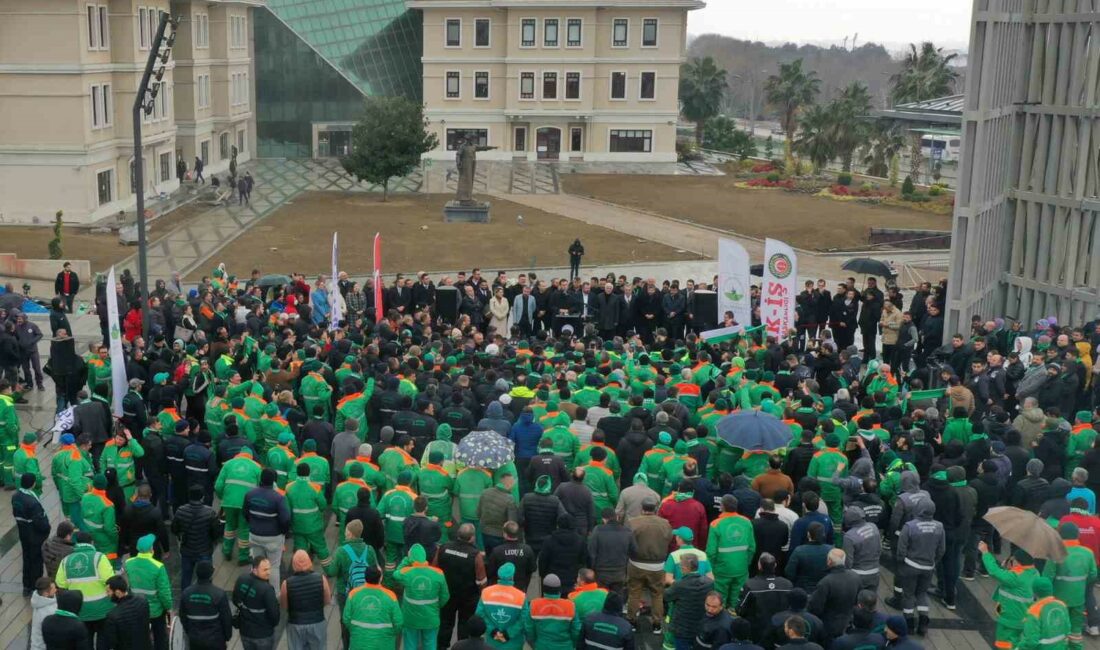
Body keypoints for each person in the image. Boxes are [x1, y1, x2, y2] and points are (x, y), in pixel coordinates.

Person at [887, 500, 944, 636]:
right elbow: (941, 549)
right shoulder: (939, 527)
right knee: (922, 594)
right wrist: (933, 562)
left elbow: (901, 549)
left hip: (910, 565)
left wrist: (901, 562)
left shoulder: (909, 526)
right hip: (928, 567)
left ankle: (909, 624)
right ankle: (923, 623)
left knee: (909, 595)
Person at [1043, 522, 1097, 650]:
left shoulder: (1055, 553)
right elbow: (1093, 574)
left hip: (1058, 600)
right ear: (1077, 535)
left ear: (1060, 535)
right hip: (1078, 598)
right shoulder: (1088, 553)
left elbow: (1047, 579)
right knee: (1076, 629)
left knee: (1058, 628)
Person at [55, 530, 114, 645]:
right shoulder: (99, 557)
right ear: (91, 542)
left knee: (85, 642)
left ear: (76, 543)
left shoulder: (66, 561)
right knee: (103, 641)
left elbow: (60, 583)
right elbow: (110, 580)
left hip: (80, 610)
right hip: (102, 609)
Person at [980, 542, 1039, 650]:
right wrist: (1009, 568)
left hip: (1009, 619)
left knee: (1004, 645)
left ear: (1017, 562)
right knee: (1017, 644)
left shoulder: (1015, 577)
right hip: (1023, 617)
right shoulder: (1034, 573)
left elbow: (994, 571)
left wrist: (985, 552)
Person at [435, 523, 487, 646]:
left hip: (447, 594)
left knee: (445, 622)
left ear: (458, 534)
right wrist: (482, 594)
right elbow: (481, 579)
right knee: (464, 624)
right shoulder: (475, 554)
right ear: (472, 537)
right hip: (468, 597)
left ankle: (442, 646)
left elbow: (435, 569)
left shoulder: (443, 548)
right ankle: (462, 646)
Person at [627, 496, 672, 633]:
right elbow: (669, 540)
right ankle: (657, 624)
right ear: (655, 509)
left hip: (636, 563)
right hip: (657, 565)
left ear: (642, 509)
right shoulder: (665, 524)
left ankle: (632, 622)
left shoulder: (633, 523)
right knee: (657, 595)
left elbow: (628, 542)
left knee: (634, 593)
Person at [395, 543, 450, 650]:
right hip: (431, 617)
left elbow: (396, 573)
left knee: (410, 644)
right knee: (430, 644)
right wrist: (436, 607)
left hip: (411, 618)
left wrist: (406, 560)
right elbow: (445, 596)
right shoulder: (438, 573)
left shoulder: (407, 573)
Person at [123, 534, 172, 650]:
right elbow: (164, 591)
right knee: (160, 636)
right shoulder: (158, 566)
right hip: (155, 611)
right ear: (151, 549)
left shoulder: (129, 563)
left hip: (136, 607)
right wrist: (168, 607)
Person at [245, 468, 291, 589]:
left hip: (254, 535)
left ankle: (256, 590)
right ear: (274, 481)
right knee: (274, 566)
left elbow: (245, 514)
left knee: (256, 564)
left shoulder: (250, 495)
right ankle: (274, 594)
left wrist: (253, 524)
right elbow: (285, 519)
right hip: (273, 537)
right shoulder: (278, 498)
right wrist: (283, 532)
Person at [214, 444, 261, 563]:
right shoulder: (256, 467)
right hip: (246, 504)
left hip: (229, 502)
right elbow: (260, 488)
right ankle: (243, 557)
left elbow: (218, 486)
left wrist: (223, 498)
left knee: (229, 526)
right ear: (250, 456)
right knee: (244, 528)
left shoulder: (228, 464)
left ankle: (227, 551)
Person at [172, 485, 222, 591]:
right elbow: (216, 532)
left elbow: (174, 529)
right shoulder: (210, 512)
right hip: (204, 550)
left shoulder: (181, 511)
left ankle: (185, 596)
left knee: (186, 577)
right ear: (202, 497)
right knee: (206, 578)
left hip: (187, 550)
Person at [708, 494, 755, 606]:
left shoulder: (715, 524)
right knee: (737, 599)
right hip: (741, 568)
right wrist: (745, 563)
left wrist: (711, 569)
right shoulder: (747, 522)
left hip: (721, 570)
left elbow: (711, 552)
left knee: (720, 600)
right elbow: (752, 548)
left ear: (722, 506)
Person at [280, 550, 331, 649]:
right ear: (309, 562)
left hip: (296, 624)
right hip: (317, 621)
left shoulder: (286, 584)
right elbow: (327, 600)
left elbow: (284, 606)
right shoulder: (321, 579)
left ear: (294, 564)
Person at [807, 548, 861, 641]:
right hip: (848, 622)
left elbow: (816, 607)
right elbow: (858, 600)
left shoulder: (826, 582)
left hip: (828, 626)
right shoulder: (855, 577)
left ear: (829, 561)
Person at [738, 553, 793, 643]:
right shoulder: (787, 585)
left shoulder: (750, 585)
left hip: (757, 633)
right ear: (775, 565)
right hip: (781, 631)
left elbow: (740, 610)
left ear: (759, 566)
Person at [344, 566, 403, 649]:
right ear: (380, 578)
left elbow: (346, 618)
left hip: (359, 643)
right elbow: (398, 622)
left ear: (365, 577)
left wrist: (355, 631)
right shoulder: (390, 596)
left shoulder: (353, 594)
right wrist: (389, 634)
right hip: (384, 644)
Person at [179, 560, 233, 650]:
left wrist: (190, 632)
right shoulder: (219, 594)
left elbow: (182, 616)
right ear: (210, 575)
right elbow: (226, 619)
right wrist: (227, 636)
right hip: (216, 640)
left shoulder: (186, 593)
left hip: (195, 640)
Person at [665, 553, 714, 650]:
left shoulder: (679, 585)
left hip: (682, 630)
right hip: (701, 628)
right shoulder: (709, 583)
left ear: (685, 568)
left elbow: (666, 597)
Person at [475, 562, 528, 650]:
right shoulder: (521, 596)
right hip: (513, 644)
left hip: (492, 642)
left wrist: (493, 631)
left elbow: (479, 614)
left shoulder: (486, 592)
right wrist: (509, 633)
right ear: (512, 576)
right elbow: (524, 619)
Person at [14, 472, 50, 597]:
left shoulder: (16, 496)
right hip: (34, 535)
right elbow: (40, 522)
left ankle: (26, 586)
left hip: (23, 532)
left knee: (27, 558)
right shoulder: (32, 502)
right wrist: (46, 529)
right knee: (36, 561)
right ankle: (36, 586)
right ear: (33, 484)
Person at [233, 556, 280, 650]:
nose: (269, 572)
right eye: (265, 570)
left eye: (269, 568)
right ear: (255, 570)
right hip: (263, 635)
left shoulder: (241, 579)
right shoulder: (267, 589)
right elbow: (274, 615)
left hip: (245, 633)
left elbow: (235, 600)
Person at [588, 507, 635, 599]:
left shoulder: (598, 530)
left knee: (602, 598)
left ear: (603, 519)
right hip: (620, 571)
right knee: (617, 597)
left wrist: (592, 568)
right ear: (616, 517)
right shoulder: (627, 531)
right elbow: (634, 551)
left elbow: (591, 551)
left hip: (601, 572)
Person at [526, 573, 579, 650]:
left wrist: (535, 644)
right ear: (559, 589)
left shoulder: (534, 604)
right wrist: (572, 645)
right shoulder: (570, 605)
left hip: (542, 646)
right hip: (565, 646)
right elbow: (576, 631)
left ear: (544, 589)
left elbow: (529, 629)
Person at [100, 575, 152, 650]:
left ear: (117, 592)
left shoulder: (112, 616)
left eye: (108, 591)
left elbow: (112, 642)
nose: (107, 594)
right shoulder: (143, 601)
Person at [1017, 577, 1070, 650]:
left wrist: (1019, 648)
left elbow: (1030, 641)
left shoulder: (1034, 611)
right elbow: (1067, 629)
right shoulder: (1062, 605)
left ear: (1035, 593)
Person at [486, 520, 536, 590]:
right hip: (520, 588)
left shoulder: (497, 551)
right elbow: (532, 568)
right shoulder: (527, 550)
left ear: (505, 534)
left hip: (501, 588)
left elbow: (490, 572)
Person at [31, 576, 57, 650]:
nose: (56, 590)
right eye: (53, 589)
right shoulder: (48, 612)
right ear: (46, 594)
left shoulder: (38, 601)